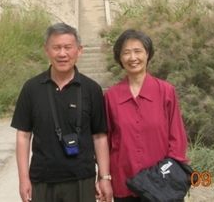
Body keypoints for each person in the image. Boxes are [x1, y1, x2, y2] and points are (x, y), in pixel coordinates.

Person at [11, 23, 113, 202]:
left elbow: (99, 136)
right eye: (56, 47)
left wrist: (104, 177)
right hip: (42, 179)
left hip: (82, 178)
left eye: (68, 47)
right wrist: (23, 179)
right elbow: (23, 136)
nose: (62, 53)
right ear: (47, 50)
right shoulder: (32, 88)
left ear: (79, 50)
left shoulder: (91, 89)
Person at [104, 29, 188, 201]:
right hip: (125, 184)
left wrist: (169, 174)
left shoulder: (166, 92)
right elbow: (106, 141)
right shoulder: (111, 96)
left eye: (138, 51)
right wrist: (104, 177)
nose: (132, 57)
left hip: (161, 186)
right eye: (126, 52)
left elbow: (177, 139)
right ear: (119, 58)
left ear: (147, 54)